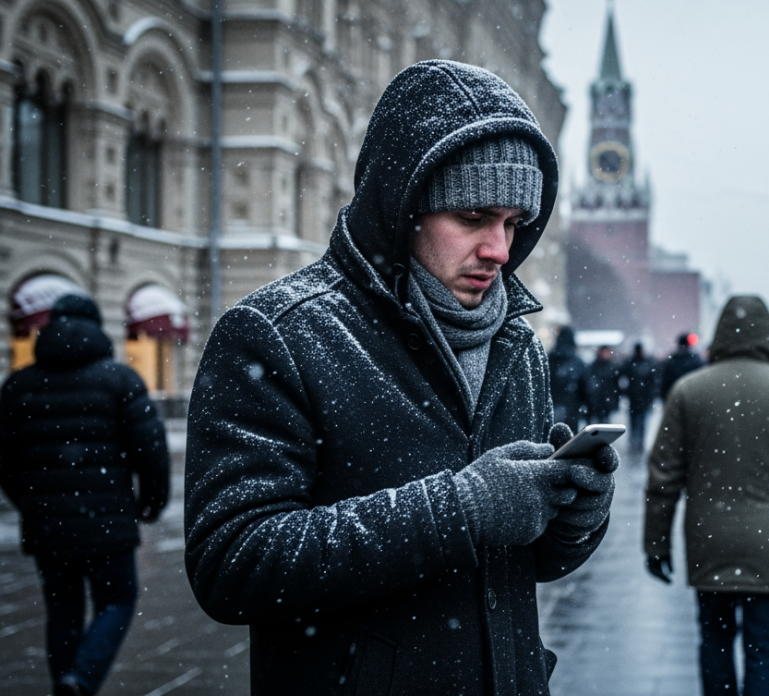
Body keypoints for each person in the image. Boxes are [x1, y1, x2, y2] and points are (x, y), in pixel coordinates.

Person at [184, 61, 617, 694]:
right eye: (474, 216)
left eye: (512, 224)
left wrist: (572, 515)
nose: (499, 248)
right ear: (404, 203)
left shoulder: (514, 345)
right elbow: (233, 563)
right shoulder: (281, 334)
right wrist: (458, 509)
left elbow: (521, 563)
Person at [644, 296, 769, 696]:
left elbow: (663, 478)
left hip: (710, 539)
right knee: (764, 653)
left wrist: (656, 544)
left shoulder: (689, 392)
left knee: (714, 645)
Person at [0, 294, 169, 696]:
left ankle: (67, 679)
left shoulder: (19, 386)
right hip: (108, 523)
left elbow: (5, 461)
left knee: (62, 611)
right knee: (118, 601)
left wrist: (30, 503)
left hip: (47, 526)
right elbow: (151, 450)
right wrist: (150, 501)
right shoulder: (120, 381)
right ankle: (82, 678)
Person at [617, 342, 658, 452]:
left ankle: (636, 443)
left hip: (636, 398)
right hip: (640, 398)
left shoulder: (631, 363)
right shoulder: (647, 363)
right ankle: (638, 443)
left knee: (635, 421)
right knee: (640, 421)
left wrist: (625, 392)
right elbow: (653, 381)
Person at [549, 325, 588, 429]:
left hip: (552, 408)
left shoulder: (549, 359)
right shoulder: (577, 362)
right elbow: (585, 388)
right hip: (572, 409)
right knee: (570, 439)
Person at [659, 332, 705, 400]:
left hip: (673, 397)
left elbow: (664, 382)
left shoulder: (671, 360)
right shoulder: (696, 360)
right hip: (692, 398)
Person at [585, 345, 620, 424]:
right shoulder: (593, 367)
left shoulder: (612, 367)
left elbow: (616, 386)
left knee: (605, 423)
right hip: (595, 402)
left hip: (607, 401)